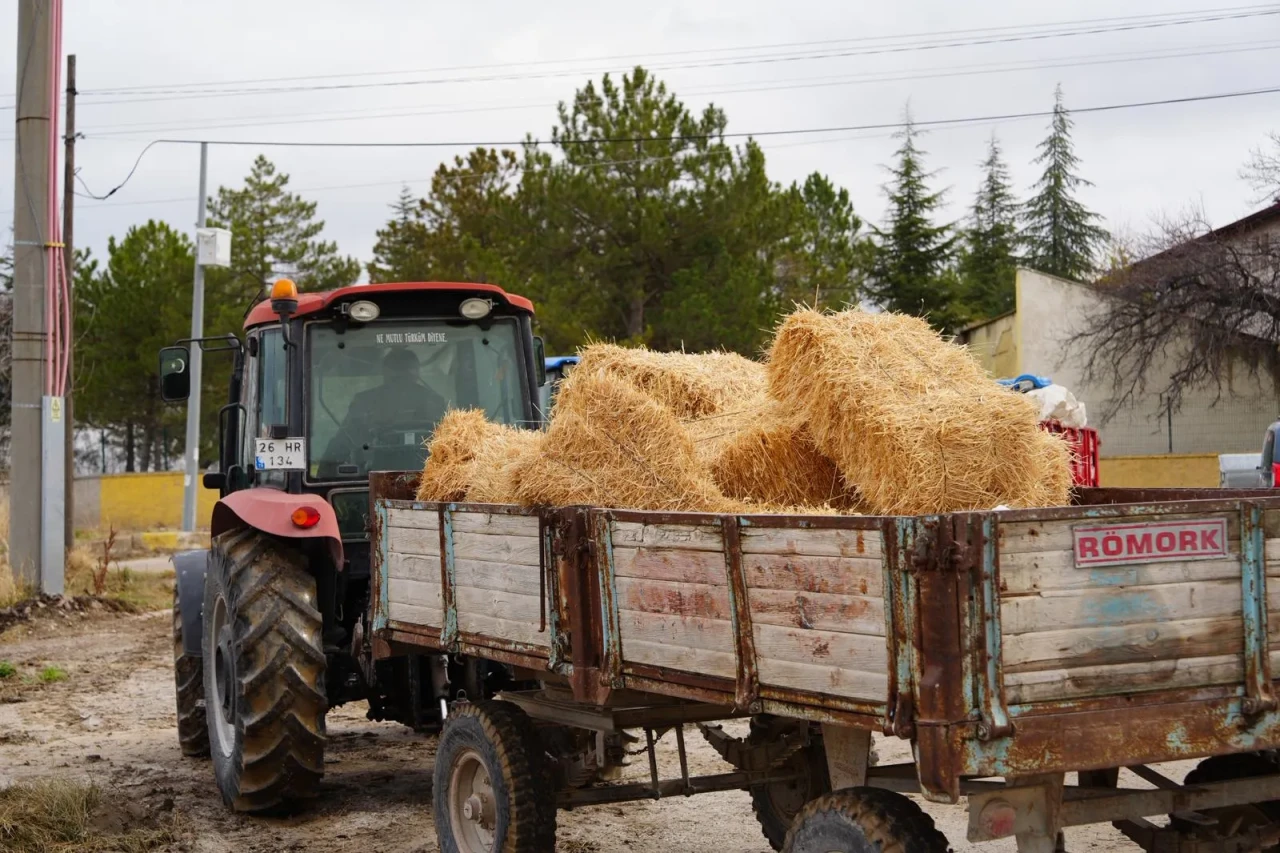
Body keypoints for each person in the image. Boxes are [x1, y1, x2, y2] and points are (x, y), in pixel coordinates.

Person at [320, 348, 447, 476]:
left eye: (405, 373)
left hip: (430, 476)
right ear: (385, 372)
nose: (401, 381)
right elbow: (343, 441)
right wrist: (328, 469)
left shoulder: (434, 402)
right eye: (396, 374)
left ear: (416, 373)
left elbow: (449, 442)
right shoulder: (364, 402)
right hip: (369, 476)